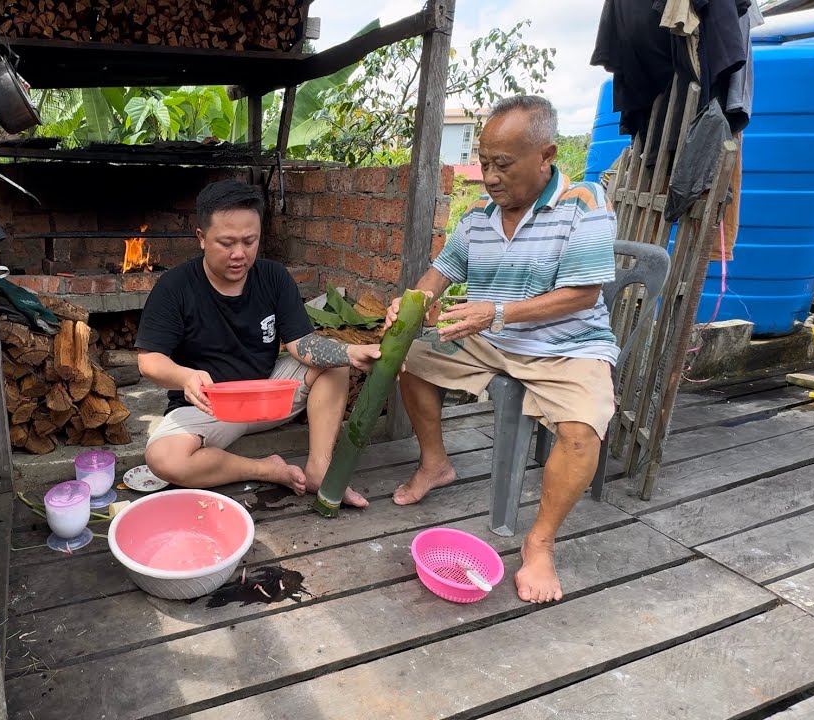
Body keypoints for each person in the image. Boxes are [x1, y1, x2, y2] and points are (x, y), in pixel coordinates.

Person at [385, 95, 618, 604]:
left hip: (568, 347)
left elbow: (584, 293)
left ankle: (539, 543)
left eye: (503, 164)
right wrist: (413, 302)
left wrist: (497, 312)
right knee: (411, 358)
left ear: (546, 155)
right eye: (485, 162)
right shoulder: (476, 219)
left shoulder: (585, 203)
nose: (489, 176)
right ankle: (435, 463)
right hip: (493, 341)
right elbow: (439, 275)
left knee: (582, 431)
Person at [136, 179, 381, 508]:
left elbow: (301, 344)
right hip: (212, 406)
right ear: (202, 238)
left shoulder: (273, 277)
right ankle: (267, 469)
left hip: (269, 396)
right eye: (227, 243)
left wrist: (351, 352)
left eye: (250, 241)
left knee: (333, 363)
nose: (240, 254)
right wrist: (185, 377)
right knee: (164, 459)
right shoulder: (175, 287)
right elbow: (149, 360)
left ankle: (319, 470)